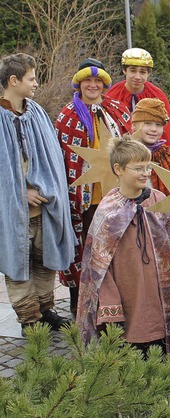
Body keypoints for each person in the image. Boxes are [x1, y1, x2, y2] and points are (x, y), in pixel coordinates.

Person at [76, 138, 170, 355]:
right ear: (118, 169)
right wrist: (111, 309)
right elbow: (99, 268)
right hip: (129, 298)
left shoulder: (160, 200)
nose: (145, 173)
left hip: (160, 299)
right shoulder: (108, 211)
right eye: (138, 168)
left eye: (148, 167)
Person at [0, 53, 75, 335]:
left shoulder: (37, 112)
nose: (36, 83)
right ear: (13, 80)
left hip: (44, 207)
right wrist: (22, 192)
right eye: (31, 78)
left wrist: (46, 189)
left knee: (45, 261)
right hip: (13, 211)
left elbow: (51, 157)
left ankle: (45, 312)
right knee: (18, 265)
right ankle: (30, 321)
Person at [56, 58, 132, 314]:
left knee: (116, 250)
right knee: (85, 250)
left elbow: (129, 145)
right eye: (87, 80)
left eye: (97, 81)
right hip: (86, 198)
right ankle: (82, 304)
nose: (92, 85)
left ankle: (116, 300)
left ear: (104, 84)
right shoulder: (68, 115)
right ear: (79, 83)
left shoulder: (117, 109)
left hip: (116, 194)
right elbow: (63, 158)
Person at [105, 48, 170, 159]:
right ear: (125, 70)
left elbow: (168, 132)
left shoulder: (157, 95)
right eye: (133, 70)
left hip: (153, 154)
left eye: (142, 72)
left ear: (148, 73)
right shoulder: (112, 95)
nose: (137, 76)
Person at [130, 98, 170, 196]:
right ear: (134, 126)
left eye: (158, 125)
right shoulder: (125, 154)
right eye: (147, 123)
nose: (154, 129)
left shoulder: (168, 154)